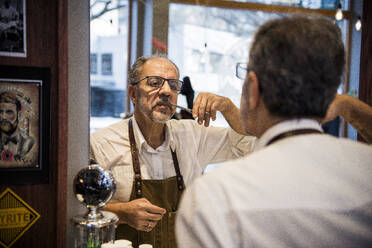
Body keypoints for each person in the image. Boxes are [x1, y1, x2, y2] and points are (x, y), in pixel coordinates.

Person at [176, 15, 372, 248]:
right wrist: (348, 106)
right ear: (330, 94)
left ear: (252, 87)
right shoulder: (365, 169)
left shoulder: (214, 197)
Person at [89, 55, 256, 247]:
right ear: (133, 94)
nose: (167, 91)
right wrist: (121, 213)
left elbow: (250, 144)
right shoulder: (102, 143)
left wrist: (227, 107)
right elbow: (81, 208)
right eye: (154, 83)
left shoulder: (193, 135)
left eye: (174, 85)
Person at [0, 91, 34, 162]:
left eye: (9, 112)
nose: (3, 117)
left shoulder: (28, 142)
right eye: (0, 112)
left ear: (19, 115)